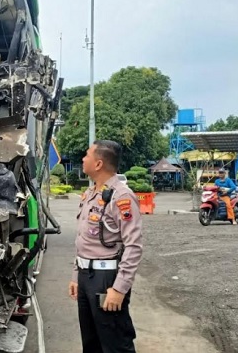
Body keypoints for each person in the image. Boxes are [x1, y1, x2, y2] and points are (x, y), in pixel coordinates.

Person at [69, 140, 143, 353]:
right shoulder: (91, 193)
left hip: (106, 279)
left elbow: (134, 246)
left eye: (87, 155)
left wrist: (119, 289)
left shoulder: (122, 196)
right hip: (86, 276)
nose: (83, 159)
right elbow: (84, 239)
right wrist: (76, 275)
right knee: (91, 343)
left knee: (115, 343)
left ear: (99, 163)